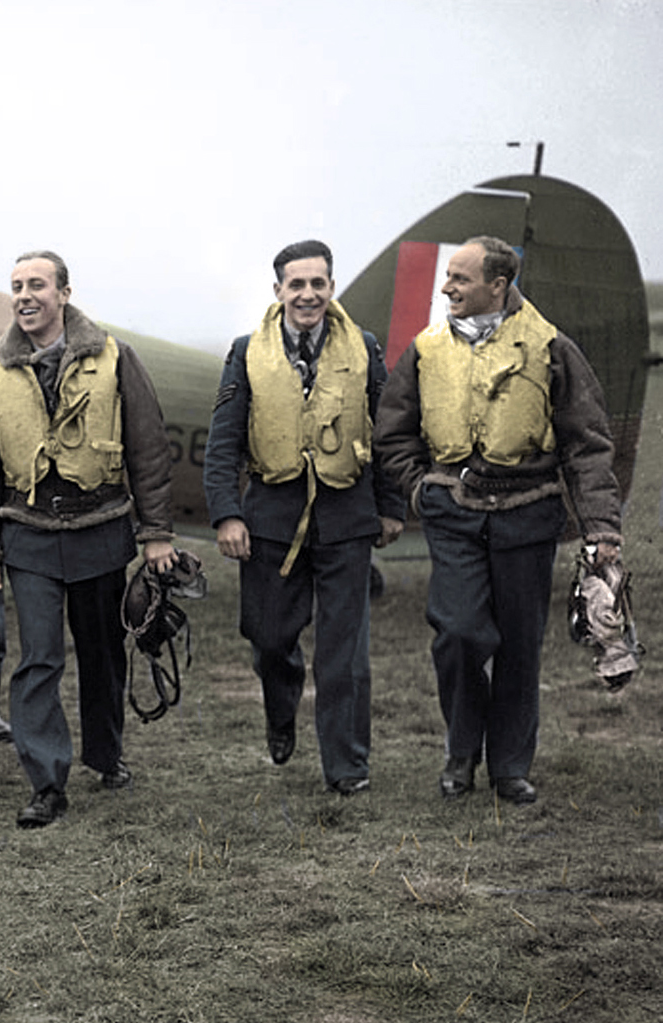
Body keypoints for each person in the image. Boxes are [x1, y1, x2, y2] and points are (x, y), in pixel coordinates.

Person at [374, 236, 622, 805]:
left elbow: (587, 444)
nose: (446, 287)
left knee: (518, 645)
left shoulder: (551, 347)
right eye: (448, 277)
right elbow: (393, 431)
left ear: (498, 285)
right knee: (458, 633)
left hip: (527, 515)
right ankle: (461, 752)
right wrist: (421, 489)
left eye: (460, 278)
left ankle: (509, 765)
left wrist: (602, 528)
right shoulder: (427, 348)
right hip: (453, 515)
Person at [0, 251, 177, 828]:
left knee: (104, 654)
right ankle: (46, 783)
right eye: (16, 286)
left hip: (101, 529)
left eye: (37, 284)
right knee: (38, 660)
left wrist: (156, 534)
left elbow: (148, 449)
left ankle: (107, 755)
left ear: (64, 292)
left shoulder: (114, 358)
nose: (25, 295)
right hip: (28, 536)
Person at [203, 240, 405, 795]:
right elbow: (223, 443)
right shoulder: (246, 351)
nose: (308, 294)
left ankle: (347, 769)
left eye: (318, 283)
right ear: (279, 291)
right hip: (271, 518)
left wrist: (390, 506)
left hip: (346, 519)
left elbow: (385, 432)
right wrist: (226, 515)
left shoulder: (362, 348)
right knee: (269, 640)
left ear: (331, 288)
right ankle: (280, 707)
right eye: (297, 284)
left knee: (345, 656)